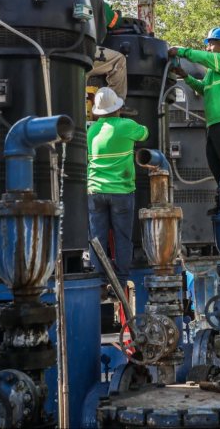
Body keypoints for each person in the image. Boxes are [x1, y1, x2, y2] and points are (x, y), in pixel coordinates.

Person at [168, 27, 220, 215]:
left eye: (211, 43)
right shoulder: (213, 72)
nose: (208, 48)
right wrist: (185, 76)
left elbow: (203, 58)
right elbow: (203, 89)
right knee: (216, 166)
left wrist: (181, 51)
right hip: (213, 123)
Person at [87, 87, 148, 289]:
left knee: (97, 239)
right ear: (117, 108)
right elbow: (145, 133)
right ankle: (121, 281)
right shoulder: (127, 126)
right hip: (122, 192)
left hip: (95, 192)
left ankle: (100, 281)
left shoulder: (91, 131)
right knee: (123, 237)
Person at [74, 0, 128, 101]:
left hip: (65, 53)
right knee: (119, 60)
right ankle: (115, 103)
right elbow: (115, 22)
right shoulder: (101, 4)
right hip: (87, 52)